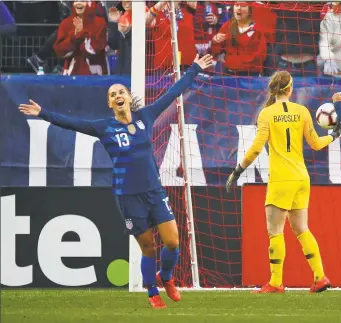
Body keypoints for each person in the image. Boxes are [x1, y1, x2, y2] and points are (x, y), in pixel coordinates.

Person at [19, 54, 213, 308]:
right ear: (110, 103)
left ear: (128, 98)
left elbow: (173, 92)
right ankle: (152, 293)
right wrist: (42, 113)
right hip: (128, 196)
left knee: (173, 242)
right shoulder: (104, 127)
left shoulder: (146, 116)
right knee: (148, 248)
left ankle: (165, 278)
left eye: (121, 91)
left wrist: (195, 68)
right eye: (113, 94)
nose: (118, 95)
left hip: (154, 192)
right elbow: (71, 123)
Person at [225, 70, 341, 293]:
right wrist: (335, 135)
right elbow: (317, 144)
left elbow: (256, 149)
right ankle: (320, 276)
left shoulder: (266, 114)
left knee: (275, 231)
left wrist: (237, 171)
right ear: (291, 89)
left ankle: (276, 282)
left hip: (281, 178)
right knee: (301, 228)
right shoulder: (302, 111)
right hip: (301, 177)